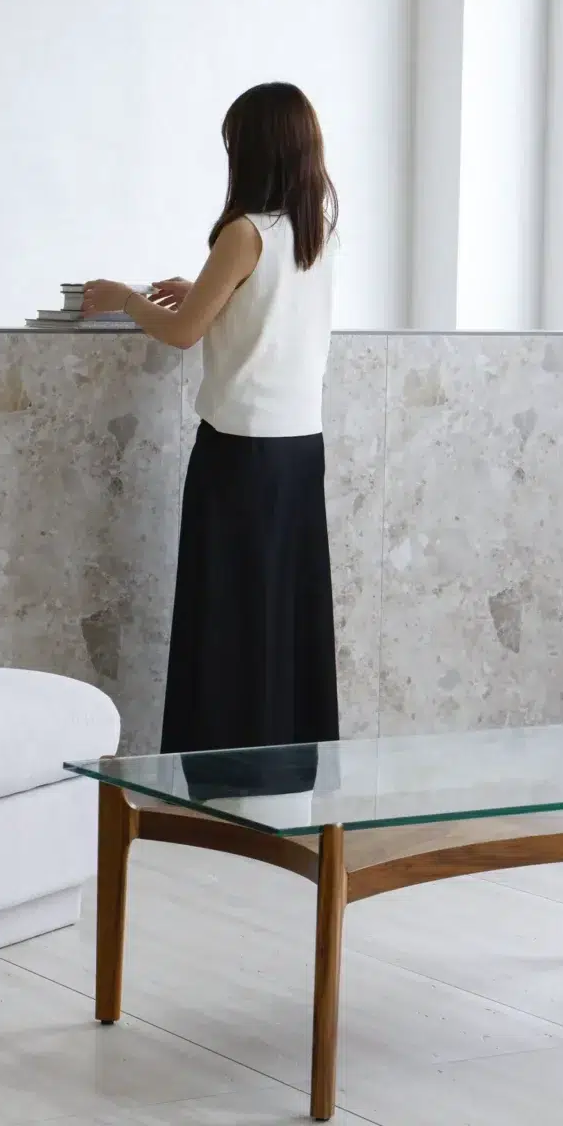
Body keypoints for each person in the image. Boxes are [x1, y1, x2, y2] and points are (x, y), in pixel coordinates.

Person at [82, 81, 339, 756]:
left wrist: (120, 299)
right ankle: (283, 773)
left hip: (239, 454)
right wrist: (198, 288)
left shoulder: (243, 231)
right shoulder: (315, 232)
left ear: (252, 150)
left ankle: (219, 777)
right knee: (283, 616)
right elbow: (268, 312)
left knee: (227, 619)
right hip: (299, 449)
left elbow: (183, 335)